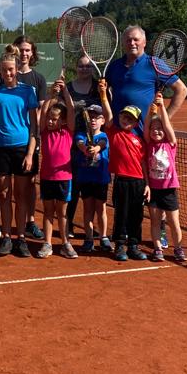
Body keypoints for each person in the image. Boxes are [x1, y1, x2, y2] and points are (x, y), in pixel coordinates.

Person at [104, 25, 187, 250]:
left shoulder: (154, 64)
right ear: (123, 43)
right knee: (125, 191)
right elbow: (108, 93)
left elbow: (181, 90)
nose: (132, 43)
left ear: (144, 41)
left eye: (136, 40)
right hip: (120, 140)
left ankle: (156, 228)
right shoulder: (114, 68)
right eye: (128, 40)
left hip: (146, 141)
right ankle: (124, 236)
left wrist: (163, 120)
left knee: (153, 189)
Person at [0, 36, 47, 241]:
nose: (9, 73)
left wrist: (30, 153)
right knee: (4, 194)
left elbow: (34, 126)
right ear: (0, 72)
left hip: (22, 148)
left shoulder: (28, 91)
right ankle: (5, 236)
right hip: (1, 148)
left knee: (21, 195)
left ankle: (20, 237)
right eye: (5, 70)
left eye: (11, 69)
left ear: (15, 69)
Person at [99, 80, 149, 262]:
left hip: (139, 182)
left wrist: (148, 184)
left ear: (136, 123)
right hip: (122, 181)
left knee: (136, 216)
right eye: (124, 117)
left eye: (130, 118)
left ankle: (134, 245)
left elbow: (144, 163)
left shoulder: (140, 141)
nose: (125, 120)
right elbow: (108, 114)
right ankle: (120, 245)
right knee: (121, 213)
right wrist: (104, 95)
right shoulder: (114, 133)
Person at [38, 79, 78, 259]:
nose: (50, 122)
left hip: (64, 178)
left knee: (62, 213)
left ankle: (65, 244)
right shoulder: (44, 131)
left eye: (54, 119)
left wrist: (65, 91)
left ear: (62, 121)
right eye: (49, 119)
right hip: (47, 177)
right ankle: (47, 244)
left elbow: (70, 109)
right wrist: (51, 95)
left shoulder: (67, 131)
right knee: (47, 212)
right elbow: (43, 111)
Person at [144, 94, 186, 262]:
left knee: (174, 221)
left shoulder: (170, 144)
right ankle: (157, 249)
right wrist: (150, 110)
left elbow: (167, 127)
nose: (156, 131)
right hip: (153, 190)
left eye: (159, 129)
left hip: (169, 189)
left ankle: (178, 248)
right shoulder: (148, 144)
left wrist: (162, 108)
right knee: (155, 221)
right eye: (154, 129)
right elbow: (146, 127)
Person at [66, 55, 102, 240]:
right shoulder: (69, 88)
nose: (84, 69)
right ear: (76, 67)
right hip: (73, 144)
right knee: (74, 186)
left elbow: (107, 109)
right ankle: (68, 224)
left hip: (95, 144)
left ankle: (90, 226)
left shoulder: (99, 87)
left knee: (92, 188)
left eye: (88, 66)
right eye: (81, 66)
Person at [74, 104, 112, 255]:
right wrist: (86, 149)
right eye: (90, 118)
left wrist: (95, 149)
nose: (93, 120)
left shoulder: (104, 136)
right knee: (88, 209)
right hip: (85, 178)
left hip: (101, 179)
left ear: (102, 120)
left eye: (96, 117)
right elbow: (81, 144)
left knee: (101, 209)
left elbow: (102, 144)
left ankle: (103, 237)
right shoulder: (81, 135)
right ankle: (89, 238)